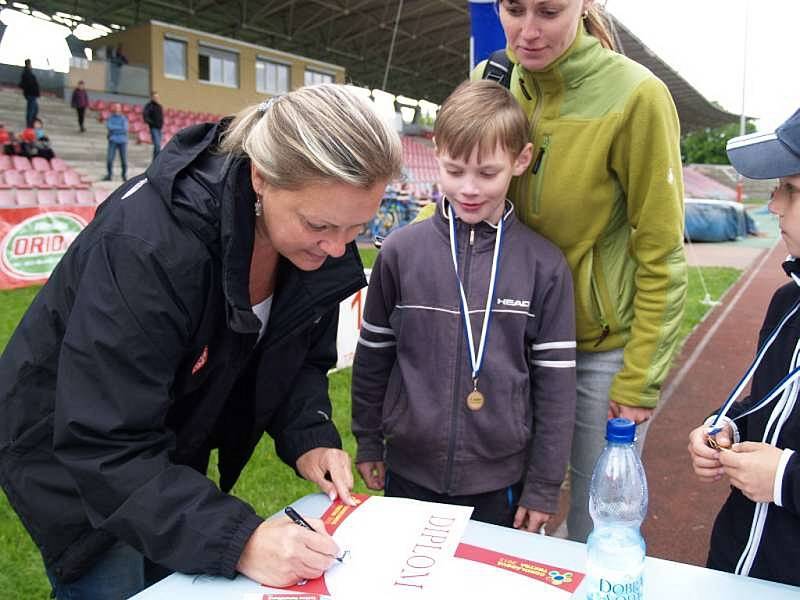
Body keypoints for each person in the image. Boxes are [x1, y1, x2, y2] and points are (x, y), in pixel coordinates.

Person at [0, 83, 402, 599]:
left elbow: (295, 355)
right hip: (78, 463)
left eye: (358, 228)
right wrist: (240, 541)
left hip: (162, 446)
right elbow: (104, 439)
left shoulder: (320, 238)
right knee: (114, 582)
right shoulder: (146, 247)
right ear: (261, 177)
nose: (337, 247)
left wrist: (309, 432)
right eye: (319, 225)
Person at [463, 0, 686, 542]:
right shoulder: (491, 79)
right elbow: (465, 190)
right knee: (496, 513)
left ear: (585, 6)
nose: (529, 31)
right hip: (505, 343)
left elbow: (661, 253)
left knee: (598, 524)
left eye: (549, 11)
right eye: (514, 10)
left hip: (595, 354)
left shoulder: (637, 96)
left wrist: (639, 380)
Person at [352, 80, 576, 532]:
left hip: (500, 481)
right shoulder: (399, 252)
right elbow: (373, 357)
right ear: (436, 153)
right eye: (454, 171)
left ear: (521, 160)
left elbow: (556, 388)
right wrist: (369, 441)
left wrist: (543, 485)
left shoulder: (544, 266)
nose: (469, 188)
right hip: (409, 472)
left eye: (488, 173)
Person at [688, 108, 800, 587]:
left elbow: (784, 469)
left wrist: (785, 479)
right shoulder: (787, 301)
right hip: (735, 565)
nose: (773, 205)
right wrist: (728, 425)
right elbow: (774, 406)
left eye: (790, 190)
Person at [103, 102, 128, 181]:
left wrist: (114, 129)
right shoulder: (111, 118)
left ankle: (124, 175)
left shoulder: (124, 118)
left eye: (118, 107)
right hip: (113, 140)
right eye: (116, 107)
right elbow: (109, 126)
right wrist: (119, 129)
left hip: (122, 141)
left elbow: (125, 129)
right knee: (109, 159)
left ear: (120, 109)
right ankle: (109, 175)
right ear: (114, 109)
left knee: (123, 160)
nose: (117, 109)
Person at [143, 90, 164, 159]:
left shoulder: (159, 106)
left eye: (157, 97)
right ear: (151, 97)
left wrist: (161, 125)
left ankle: (155, 160)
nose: (156, 98)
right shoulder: (149, 106)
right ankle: (156, 160)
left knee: (158, 146)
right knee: (157, 145)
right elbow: (145, 116)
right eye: (155, 97)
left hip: (159, 129)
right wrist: (152, 124)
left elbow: (161, 117)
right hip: (154, 128)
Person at [19, 58, 40, 127]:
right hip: (31, 94)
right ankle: (29, 125)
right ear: (28, 64)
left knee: (35, 109)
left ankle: (31, 123)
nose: (31, 66)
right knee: (31, 110)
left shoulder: (28, 72)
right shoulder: (27, 73)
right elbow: (28, 84)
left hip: (32, 94)